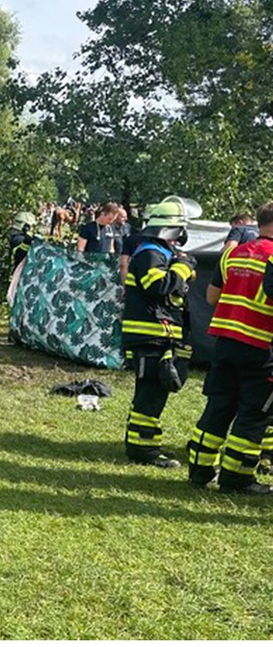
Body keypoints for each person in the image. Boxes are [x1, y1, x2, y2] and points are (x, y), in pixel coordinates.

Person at [185, 202, 273, 493]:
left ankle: (199, 470)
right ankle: (236, 478)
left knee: (219, 406)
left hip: (224, 344)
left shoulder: (232, 254)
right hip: (261, 346)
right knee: (253, 413)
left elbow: (211, 298)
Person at [120, 199, 196, 468]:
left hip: (155, 334)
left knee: (150, 393)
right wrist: (183, 268)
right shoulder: (151, 253)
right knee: (151, 395)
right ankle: (144, 451)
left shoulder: (155, 252)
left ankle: (142, 445)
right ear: (172, 229)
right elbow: (158, 286)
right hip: (149, 335)